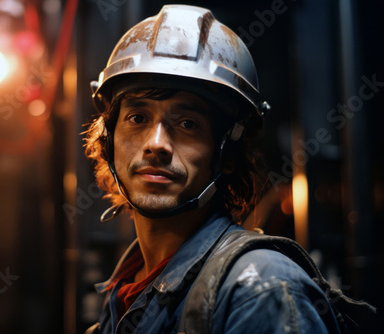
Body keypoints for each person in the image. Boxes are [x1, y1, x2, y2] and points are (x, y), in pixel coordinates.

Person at [84, 4, 342, 333]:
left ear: (227, 154)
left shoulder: (261, 291)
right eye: (138, 118)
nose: (157, 143)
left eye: (188, 123)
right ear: (108, 141)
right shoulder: (120, 303)